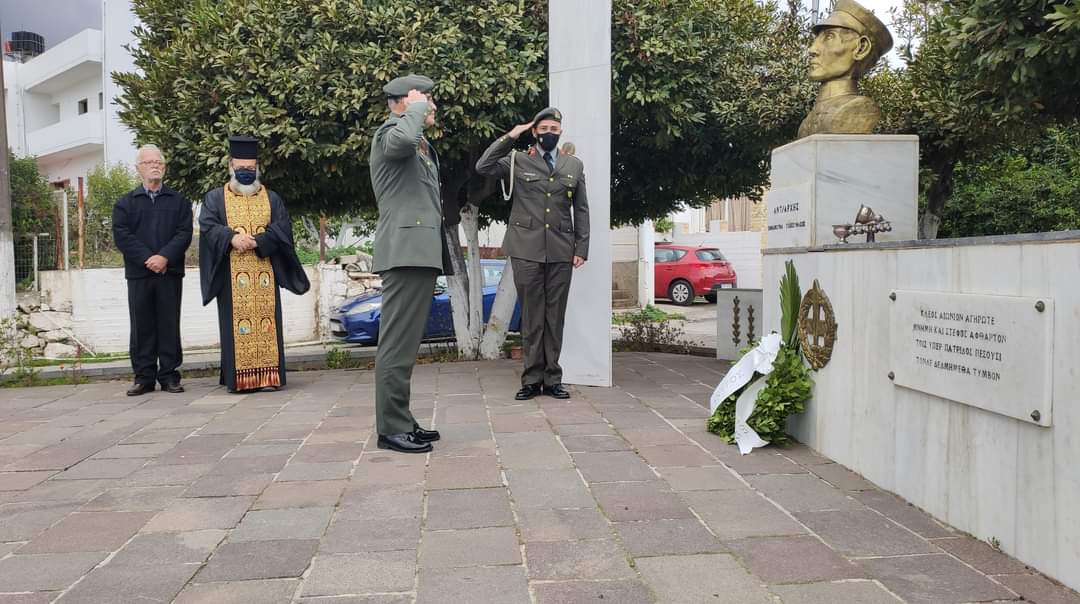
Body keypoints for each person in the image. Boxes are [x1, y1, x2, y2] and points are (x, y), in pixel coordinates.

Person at [475, 107, 590, 401]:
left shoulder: (573, 165)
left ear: (560, 131)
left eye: (554, 128)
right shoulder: (517, 160)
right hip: (526, 249)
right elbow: (483, 166)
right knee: (531, 317)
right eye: (544, 129)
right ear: (535, 131)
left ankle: (553, 379)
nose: (549, 133)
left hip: (562, 250)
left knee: (555, 317)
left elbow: (582, 210)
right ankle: (530, 379)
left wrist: (582, 248)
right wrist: (511, 136)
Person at [369, 74, 453, 453]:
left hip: (418, 251)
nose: (432, 107)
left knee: (405, 344)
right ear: (405, 103)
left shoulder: (417, 144)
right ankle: (391, 429)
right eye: (426, 101)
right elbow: (400, 139)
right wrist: (417, 107)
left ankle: (401, 419)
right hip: (404, 252)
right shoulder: (391, 134)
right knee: (396, 345)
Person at [198, 136, 310, 392]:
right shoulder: (215, 199)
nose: (246, 172)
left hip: (265, 275)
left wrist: (259, 241)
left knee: (267, 324)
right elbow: (208, 227)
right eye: (241, 167)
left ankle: (268, 377)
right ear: (230, 166)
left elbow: (283, 230)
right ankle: (239, 379)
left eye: (250, 168)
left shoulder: (272, 198)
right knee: (235, 328)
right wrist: (232, 238)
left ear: (257, 168)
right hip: (231, 277)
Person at [112, 144, 193, 396]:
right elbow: (122, 236)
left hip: (169, 272)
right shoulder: (125, 203)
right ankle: (143, 377)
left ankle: (169, 376)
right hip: (140, 273)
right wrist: (149, 258)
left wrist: (165, 257)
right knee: (142, 325)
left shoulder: (179, 201)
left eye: (158, 162)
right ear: (138, 169)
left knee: (169, 323)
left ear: (165, 168)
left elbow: (184, 233)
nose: (154, 165)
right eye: (148, 162)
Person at [798, 0, 893, 138]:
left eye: (829, 37)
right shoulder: (808, 120)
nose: (812, 50)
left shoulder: (858, 110)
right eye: (817, 39)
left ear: (861, 48)